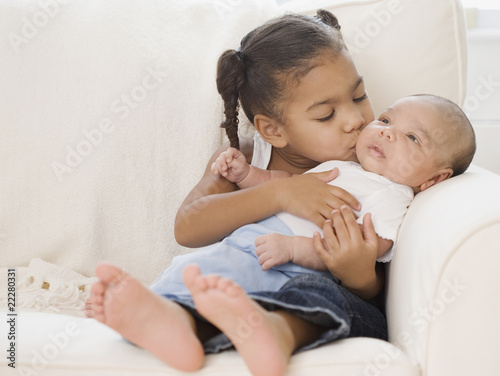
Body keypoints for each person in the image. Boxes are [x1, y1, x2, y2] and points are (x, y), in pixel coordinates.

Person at [85, 10, 475, 376]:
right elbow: (188, 227)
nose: (356, 121)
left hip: (317, 288)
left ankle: (272, 332)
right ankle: (174, 326)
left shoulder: (383, 172)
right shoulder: (248, 158)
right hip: (236, 275)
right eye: (326, 115)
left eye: (359, 97)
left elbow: (376, 288)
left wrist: (358, 274)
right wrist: (282, 194)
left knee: (316, 295)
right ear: (273, 130)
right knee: (198, 276)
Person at [210, 94, 475, 273]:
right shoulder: (346, 165)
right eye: (385, 120)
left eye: (412, 137)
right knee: (196, 274)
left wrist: (293, 248)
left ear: (435, 178)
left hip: (290, 264)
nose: (386, 132)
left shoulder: (393, 196)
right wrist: (246, 175)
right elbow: (286, 184)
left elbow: (353, 249)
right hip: (252, 240)